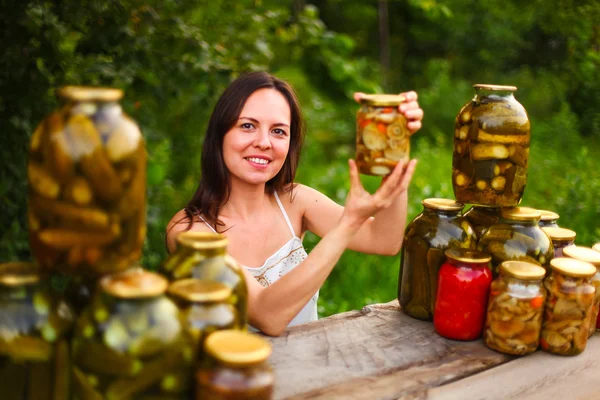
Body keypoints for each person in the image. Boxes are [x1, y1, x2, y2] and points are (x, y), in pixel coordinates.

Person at [166, 71, 423, 336]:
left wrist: (395, 145)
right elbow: (267, 315)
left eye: (278, 131)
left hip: (307, 370)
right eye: (247, 126)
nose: (264, 143)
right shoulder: (188, 232)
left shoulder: (293, 201)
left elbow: (384, 240)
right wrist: (348, 223)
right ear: (220, 134)